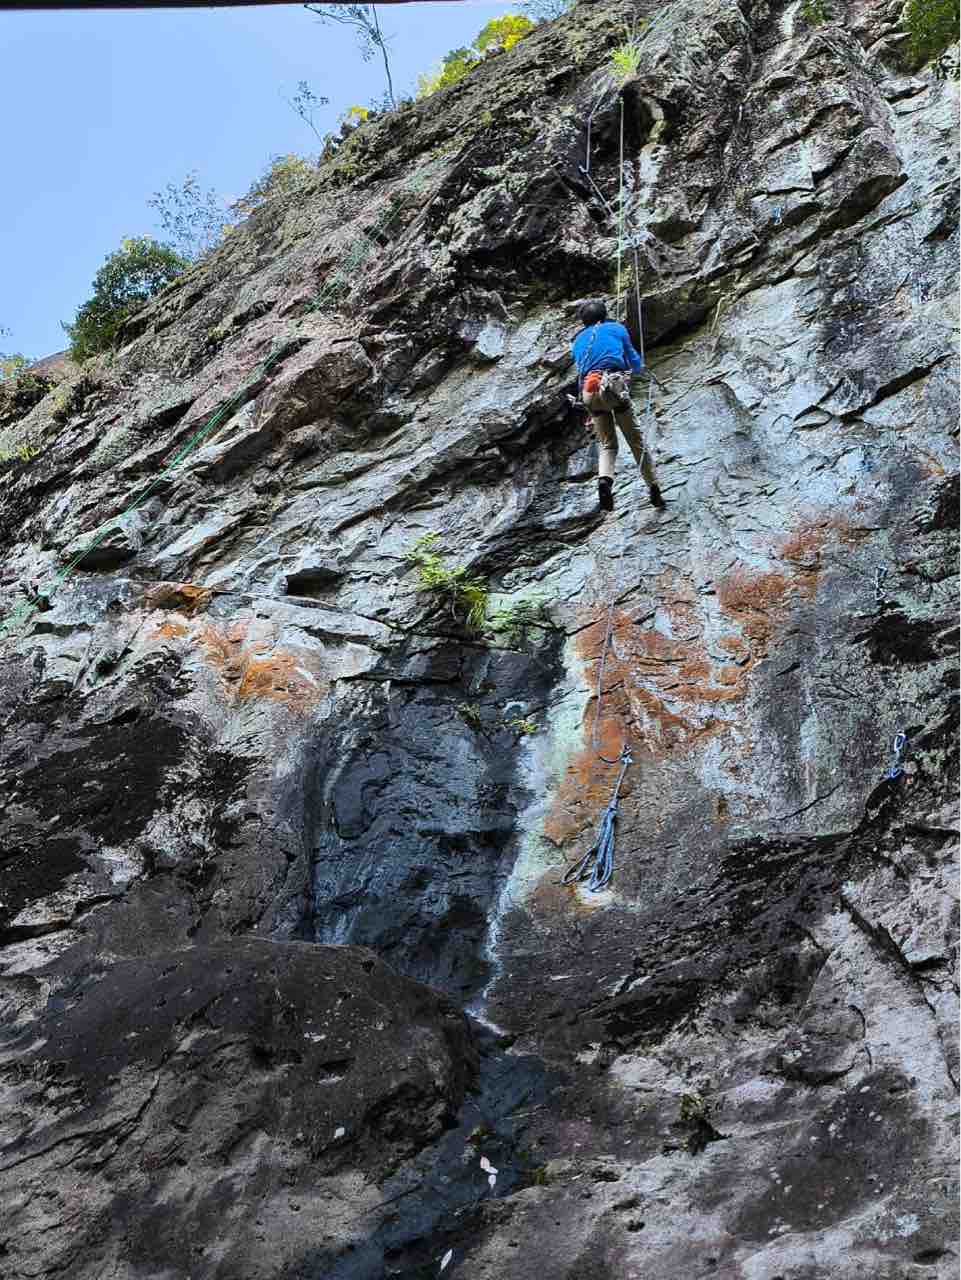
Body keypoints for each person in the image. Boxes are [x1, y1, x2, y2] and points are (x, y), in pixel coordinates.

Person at [570, 299, 664, 513]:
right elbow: (634, 361)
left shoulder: (577, 341)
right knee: (635, 441)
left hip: (589, 392)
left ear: (584, 321)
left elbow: (582, 368)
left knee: (608, 445)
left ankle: (605, 480)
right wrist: (637, 368)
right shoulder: (616, 328)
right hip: (612, 386)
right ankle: (654, 488)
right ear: (604, 315)